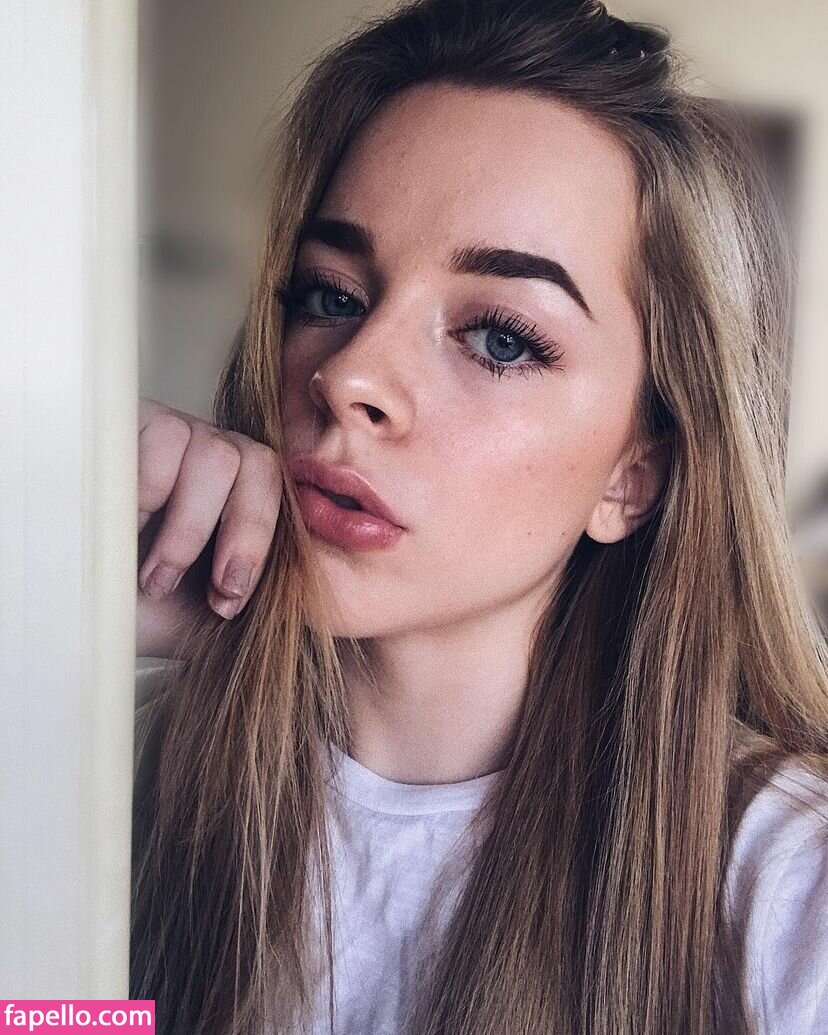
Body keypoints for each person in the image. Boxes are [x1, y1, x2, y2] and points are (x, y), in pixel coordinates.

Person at [130, 0, 828, 1032]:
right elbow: (41, 1017)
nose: (350, 375)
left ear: (632, 476)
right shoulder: (122, 778)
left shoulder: (786, 893)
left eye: (501, 338)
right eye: (330, 296)